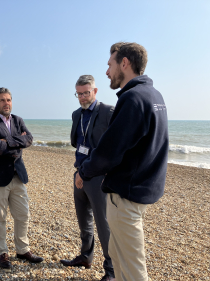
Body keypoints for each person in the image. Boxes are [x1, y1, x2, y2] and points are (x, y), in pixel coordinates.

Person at [75, 42, 168, 281]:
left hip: (127, 195)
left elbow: (109, 151)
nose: (107, 72)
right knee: (118, 256)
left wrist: (83, 171)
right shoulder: (154, 95)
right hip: (141, 188)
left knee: (133, 268)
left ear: (124, 63)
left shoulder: (133, 98)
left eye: (110, 65)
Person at [0, 87, 44, 271]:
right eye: (2, 100)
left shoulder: (18, 120)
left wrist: (7, 141)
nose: (6, 103)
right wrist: (17, 142)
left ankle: (22, 250)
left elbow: (29, 139)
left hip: (18, 175)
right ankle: (1, 252)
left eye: (8, 100)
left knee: (23, 215)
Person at [60, 75, 115, 281]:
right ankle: (86, 256)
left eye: (86, 93)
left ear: (95, 91)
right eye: (79, 94)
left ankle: (111, 271)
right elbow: (77, 143)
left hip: (99, 176)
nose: (83, 97)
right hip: (79, 174)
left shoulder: (109, 111)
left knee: (104, 225)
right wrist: (79, 172)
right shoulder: (76, 114)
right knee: (84, 221)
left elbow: (112, 147)